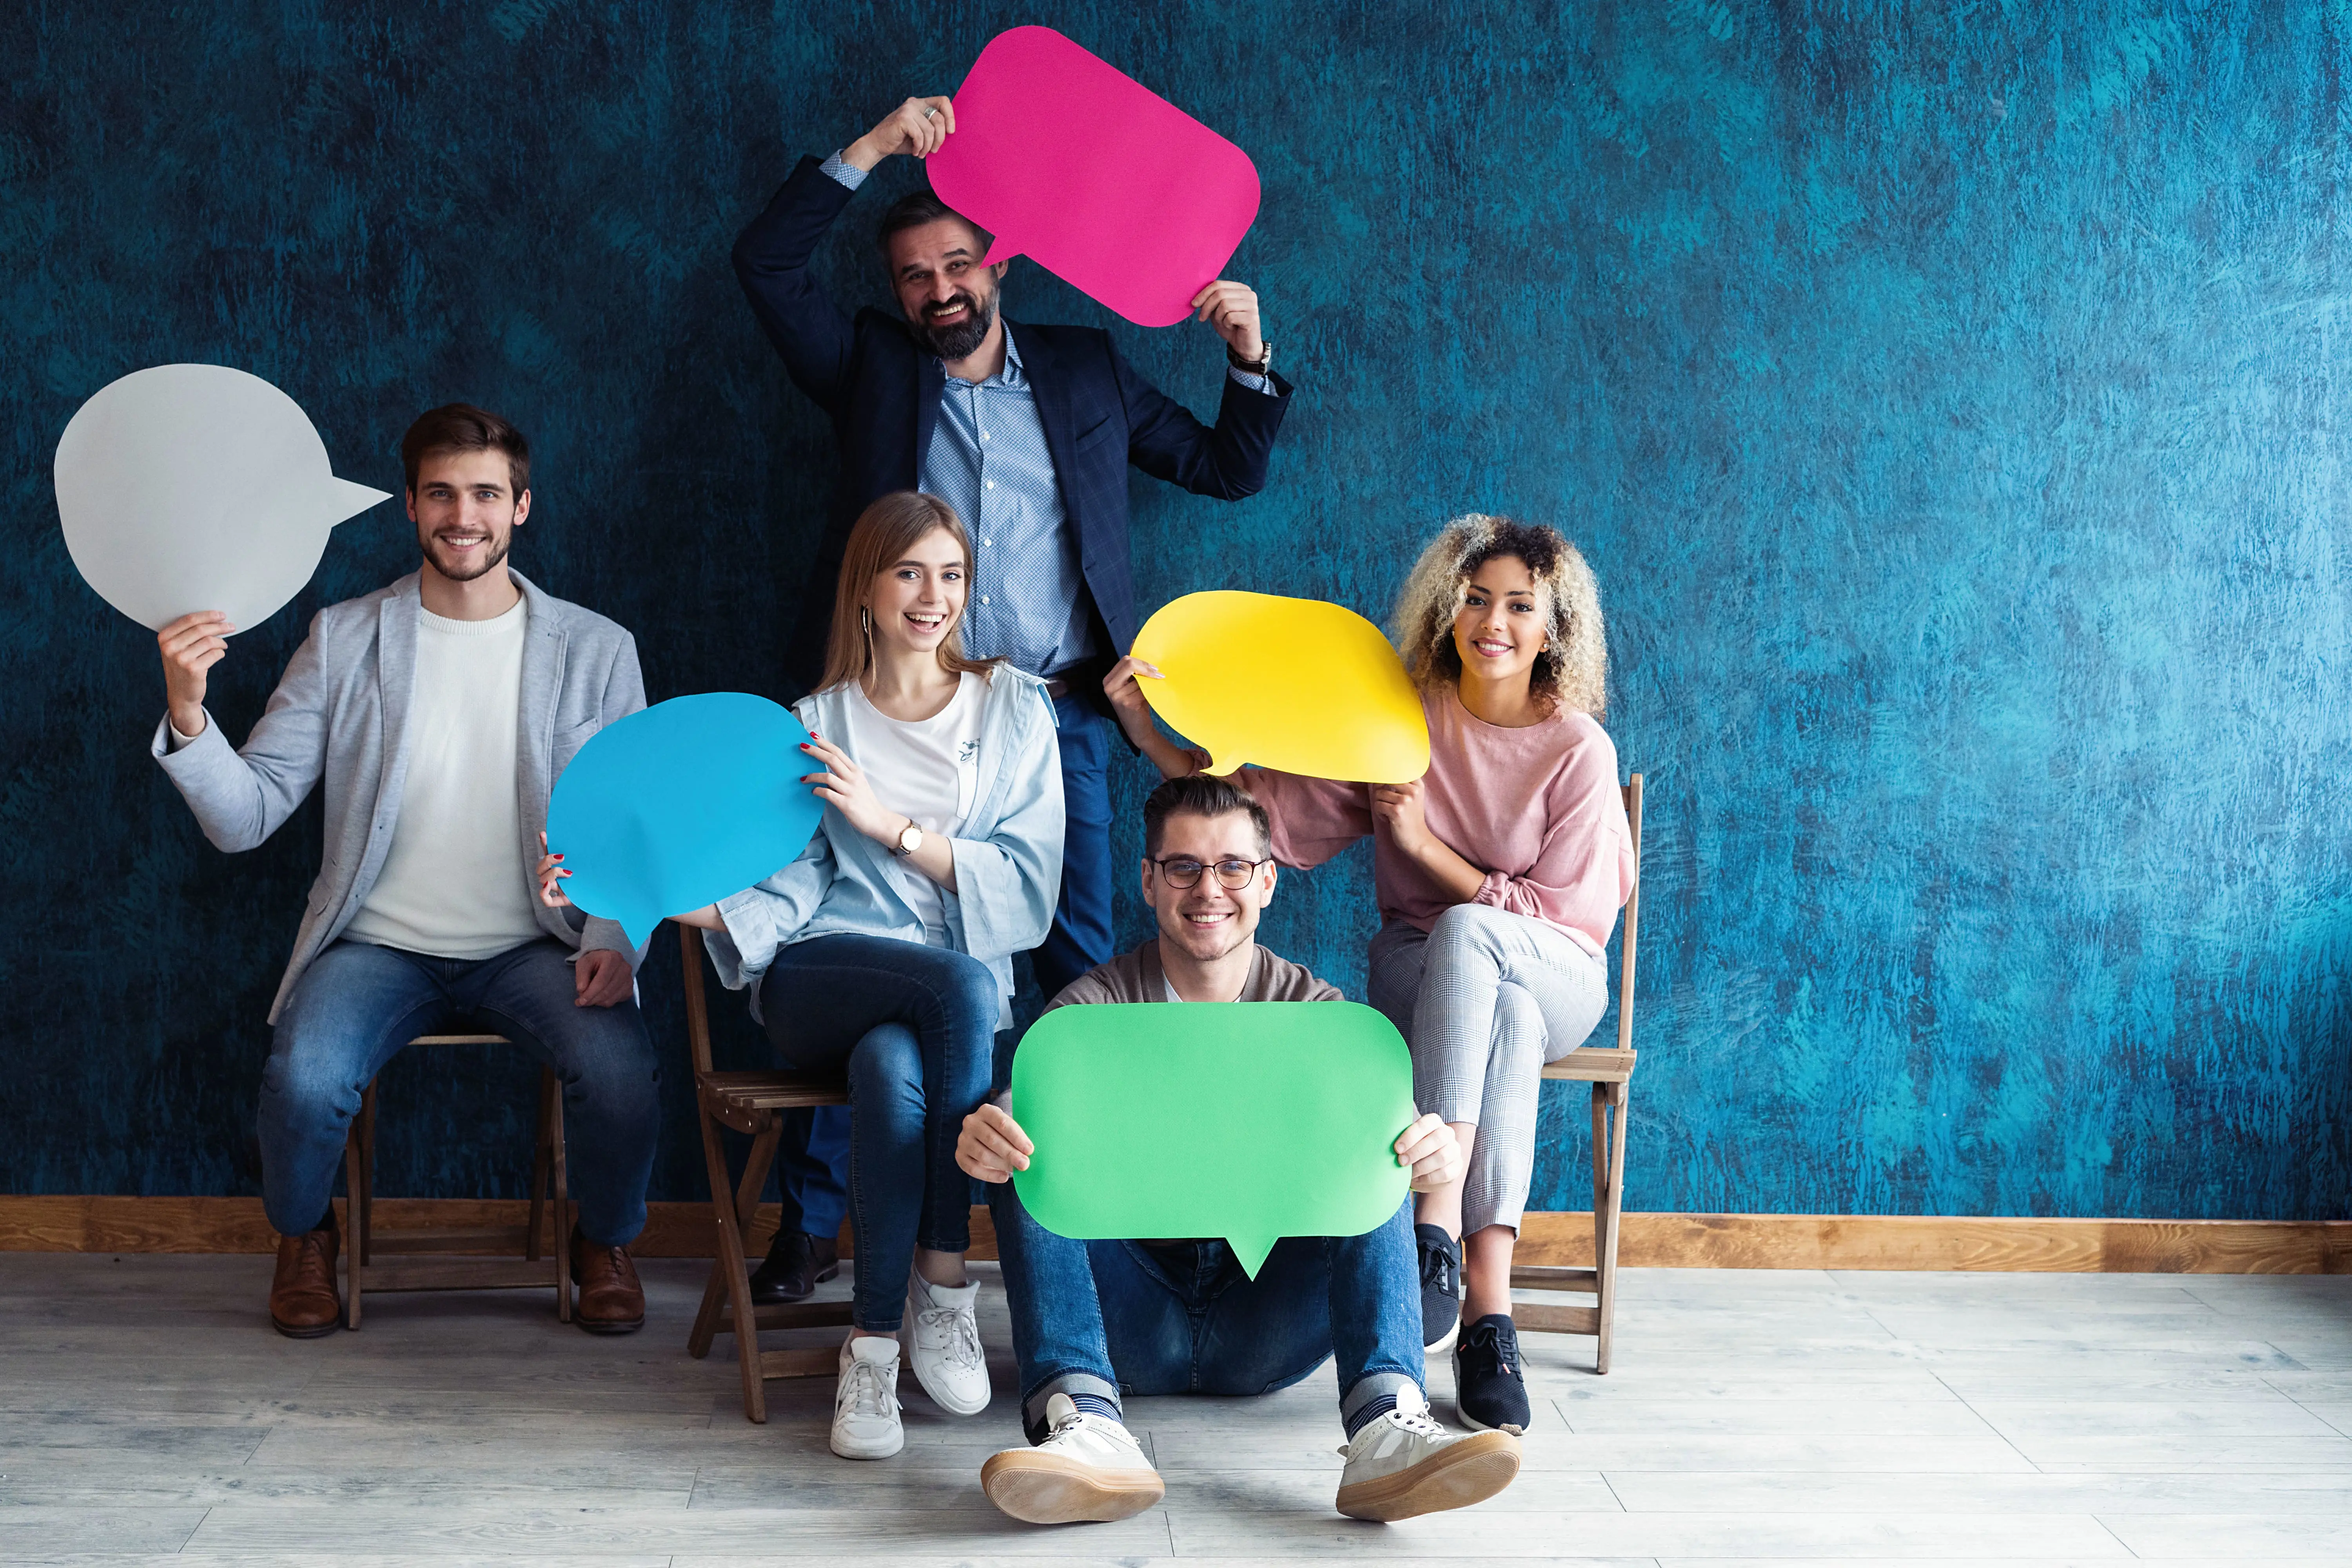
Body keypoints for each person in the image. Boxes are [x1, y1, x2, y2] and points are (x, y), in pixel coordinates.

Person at [731, 93, 1295, 1289]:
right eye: (910, 274)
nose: (936, 288)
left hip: (1060, 717)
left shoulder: (1087, 369)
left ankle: (1137, 1213)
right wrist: (875, 148)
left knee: (1085, 955)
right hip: (895, 707)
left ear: (997, 260)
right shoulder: (874, 371)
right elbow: (767, 264)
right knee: (865, 938)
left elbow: (1225, 466)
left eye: (953, 263)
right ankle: (810, 1225)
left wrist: (1247, 358)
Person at [545, 491, 1062, 1461]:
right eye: (909, 572)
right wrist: (614, 889)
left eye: (951, 574)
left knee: (894, 1064)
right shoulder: (813, 725)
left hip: (931, 1007)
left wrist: (893, 828)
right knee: (952, 989)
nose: (933, 596)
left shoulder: (1017, 710)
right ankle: (943, 1280)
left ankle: (868, 1351)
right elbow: (778, 892)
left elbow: (1031, 891)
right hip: (820, 971)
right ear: (866, 587)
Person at [1105, 515, 1637, 1436]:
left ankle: (1434, 1227)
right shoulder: (1405, 718)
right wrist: (1148, 734)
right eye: (1475, 598)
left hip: (1558, 969)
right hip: (1425, 979)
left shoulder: (1578, 749)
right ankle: (1488, 1317)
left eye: (1520, 605)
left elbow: (1571, 916)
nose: (1492, 621)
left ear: (1555, 629)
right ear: (1447, 605)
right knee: (1493, 1006)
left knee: (1485, 949)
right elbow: (1257, 813)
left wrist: (1423, 847)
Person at [151, 404, 660, 1339]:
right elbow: (248, 813)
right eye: (440, 494)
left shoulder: (598, 649)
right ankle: (308, 1235)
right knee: (304, 1080)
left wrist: (614, 939)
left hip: (538, 948)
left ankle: (606, 1241)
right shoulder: (345, 638)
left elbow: (632, 834)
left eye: (484, 494)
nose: (462, 514)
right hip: (378, 944)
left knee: (622, 1074)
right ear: (412, 509)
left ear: (522, 506)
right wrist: (190, 711)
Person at [956, 774, 1524, 1525]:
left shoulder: (1319, 1016)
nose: (1208, 890)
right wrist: (990, 1131)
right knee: (1028, 1139)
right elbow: (1014, 1109)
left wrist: (1427, 1157)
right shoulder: (1091, 1011)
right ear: (1151, 881)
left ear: (1266, 883)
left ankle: (1389, 1420)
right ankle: (1084, 1420)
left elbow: (1397, 1136)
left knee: (1375, 1145)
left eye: (1232, 868)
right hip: (1129, 1319)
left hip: (1265, 1323)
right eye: (1184, 867)